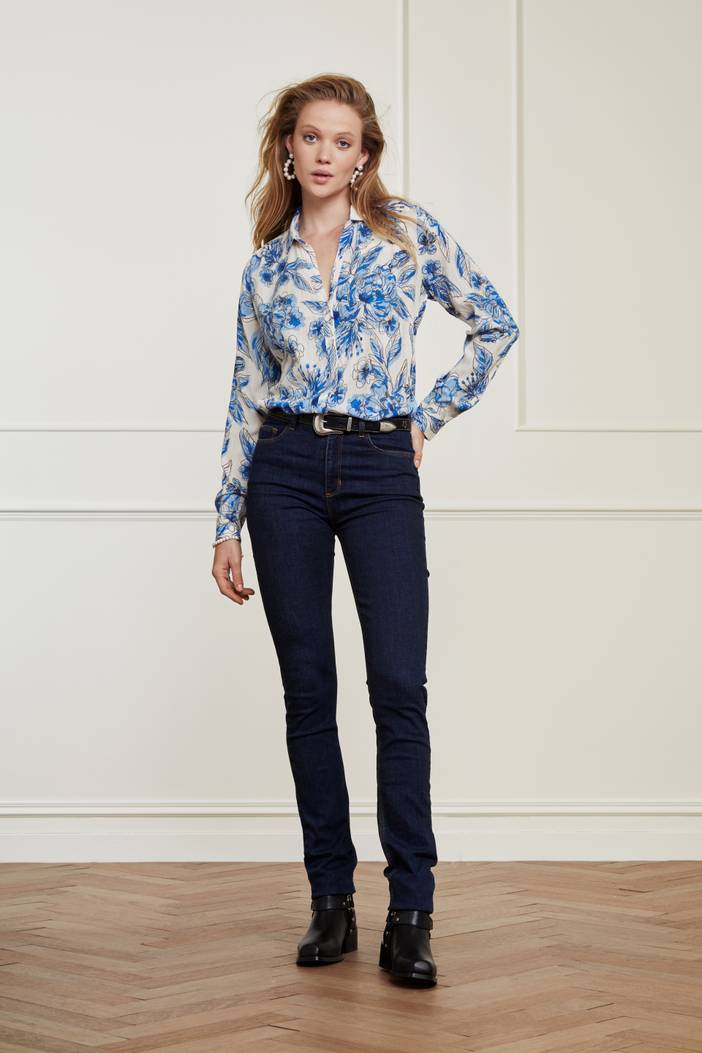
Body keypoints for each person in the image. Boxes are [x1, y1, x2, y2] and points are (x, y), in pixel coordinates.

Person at [211, 74, 520, 987]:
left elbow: (494, 324)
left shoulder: (406, 234)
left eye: (342, 141)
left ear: (364, 155)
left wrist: (427, 417)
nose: (324, 154)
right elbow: (244, 395)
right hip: (284, 475)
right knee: (308, 692)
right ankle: (331, 902)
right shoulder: (265, 267)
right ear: (288, 147)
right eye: (310, 137)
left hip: (382, 468)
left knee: (397, 688)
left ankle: (412, 913)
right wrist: (225, 521)